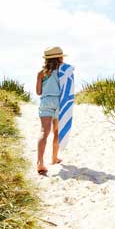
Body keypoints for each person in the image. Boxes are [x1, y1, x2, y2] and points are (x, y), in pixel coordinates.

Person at [36, 47, 65, 175]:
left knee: (44, 132)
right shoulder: (63, 71)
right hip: (59, 102)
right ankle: (54, 157)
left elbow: (38, 92)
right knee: (56, 131)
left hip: (46, 102)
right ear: (60, 57)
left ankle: (40, 162)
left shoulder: (41, 73)